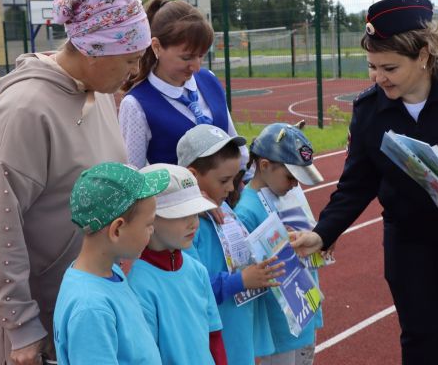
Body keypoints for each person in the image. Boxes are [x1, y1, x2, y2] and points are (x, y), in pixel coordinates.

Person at [290, 0, 438, 365]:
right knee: (419, 337)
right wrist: (322, 233)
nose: (378, 78)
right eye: (371, 67)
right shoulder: (370, 110)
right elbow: (356, 184)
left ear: (425, 55)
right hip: (409, 240)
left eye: (389, 68)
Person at [0, 0, 152, 365]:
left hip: (90, 304)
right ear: (92, 50)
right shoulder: (23, 112)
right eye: (129, 60)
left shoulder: (100, 94)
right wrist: (22, 328)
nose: (134, 73)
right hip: (38, 326)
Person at [178, 124, 285, 364]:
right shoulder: (185, 228)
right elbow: (191, 288)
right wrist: (241, 280)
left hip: (238, 334)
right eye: (224, 180)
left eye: (235, 178)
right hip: (214, 341)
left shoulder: (223, 207)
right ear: (193, 176)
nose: (231, 188)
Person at [54, 162, 169, 364]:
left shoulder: (111, 272)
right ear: (117, 230)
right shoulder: (91, 308)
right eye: (148, 224)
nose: (152, 231)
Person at [119, 0, 247, 168]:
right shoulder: (136, 104)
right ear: (156, 47)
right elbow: (133, 175)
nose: (195, 66)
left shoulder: (208, 79)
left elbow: (236, 147)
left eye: (201, 55)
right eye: (186, 57)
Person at [235, 123, 325, 365]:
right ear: (264, 166)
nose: (296, 184)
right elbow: (245, 269)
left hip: (304, 308)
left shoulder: (287, 194)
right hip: (279, 324)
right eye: (291, 177)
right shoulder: (246, 211)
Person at [128, 163, 227, 365]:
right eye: (182, 215)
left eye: (195, 213)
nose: (194, 223)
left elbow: (214, 335)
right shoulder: (134, 281)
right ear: (149, 219)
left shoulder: (197, 271)